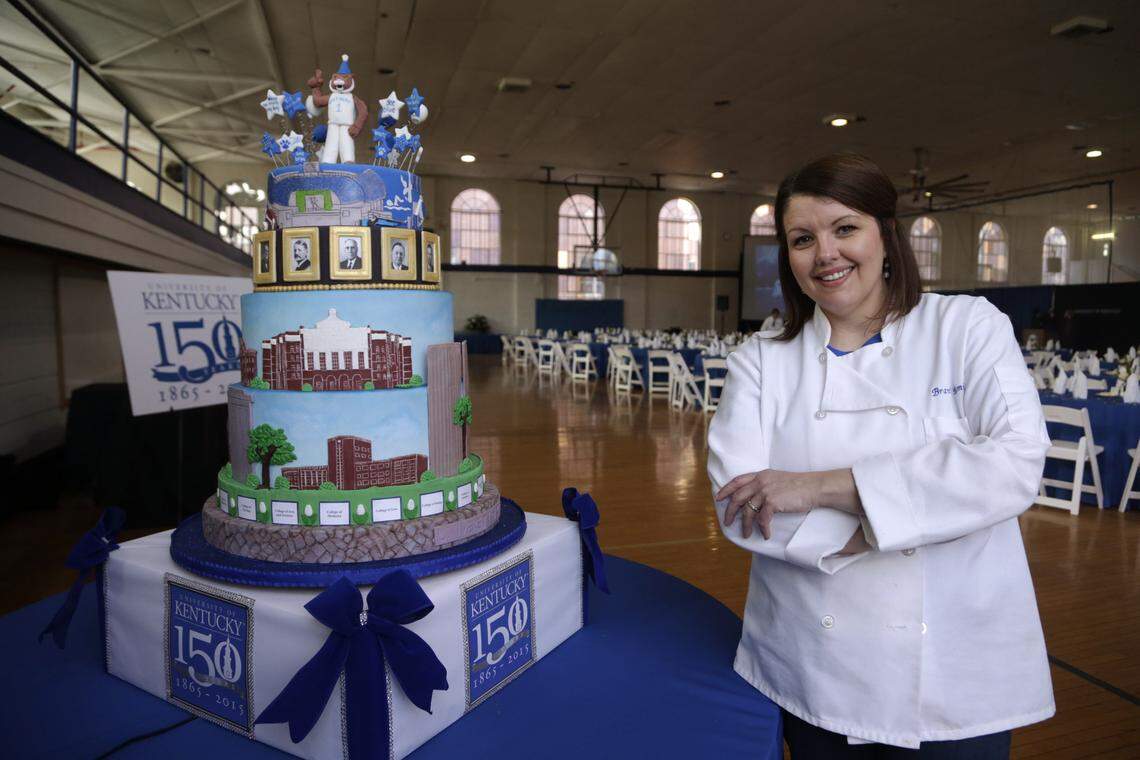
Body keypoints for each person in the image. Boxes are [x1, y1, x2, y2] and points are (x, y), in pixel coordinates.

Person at [708, 154, 1053, 758]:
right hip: (813, 665)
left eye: (845, 228)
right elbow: (741, 506)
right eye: (802, 239)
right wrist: (910, 512)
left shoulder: (967, 327)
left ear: (886, 235)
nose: (826, 254)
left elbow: (1015, 464)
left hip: (954, 667)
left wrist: (817, 487)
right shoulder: (760, 360)